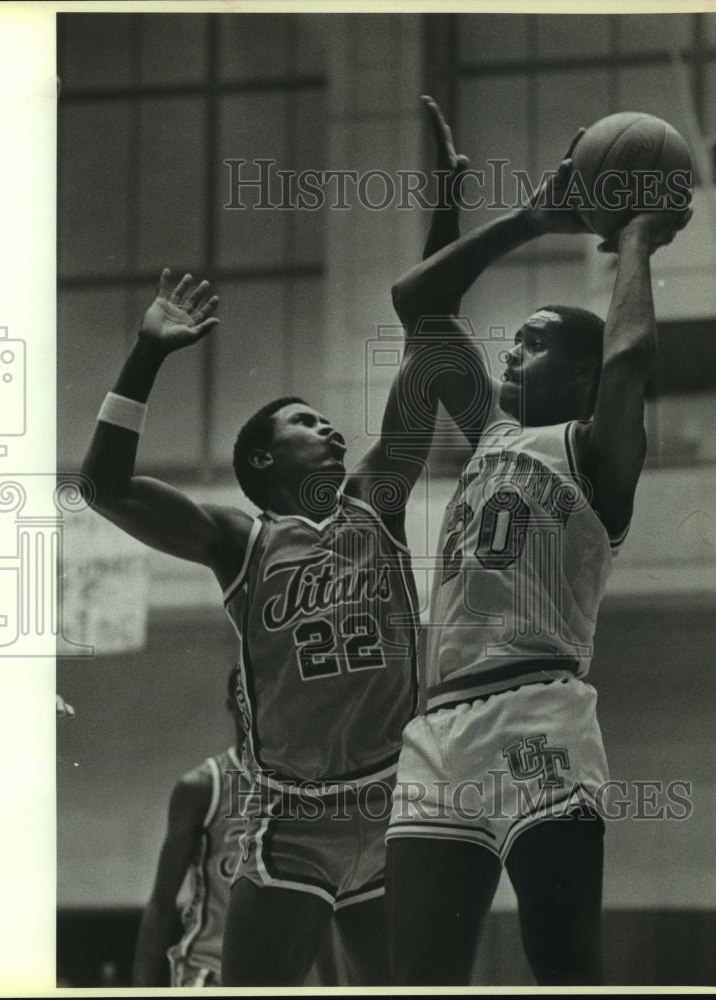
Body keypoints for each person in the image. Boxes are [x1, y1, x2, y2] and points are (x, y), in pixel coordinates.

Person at [80, 141, 467, 983]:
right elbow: (103, 488)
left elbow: (428, 345)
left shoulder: (378, 501)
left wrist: (445, 213)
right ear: (260, 461)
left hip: (397, 801)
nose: (328, 428)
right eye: (304, 422)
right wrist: (147, 352)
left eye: (331, 422)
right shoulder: (238, 542)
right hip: (291, 822)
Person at [384, 97, 692, 986]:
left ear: (584, 376)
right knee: (417, 979)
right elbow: (418, 303)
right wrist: (531, 216)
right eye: (511, 341)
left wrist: (633, 238)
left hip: (539, 716)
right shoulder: (485, 434)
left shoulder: (597, 454)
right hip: (438, 732)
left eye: (533, 341)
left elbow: (631, 359)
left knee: (562, 966)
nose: (510, 352)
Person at [132, 667, 249, 987]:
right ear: (231, 706)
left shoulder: (305, 785)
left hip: (279, 970)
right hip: (208, 970)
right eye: (245, 695)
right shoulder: (202, 786)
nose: (254, 703)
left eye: (262, 693)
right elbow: (161, 901)